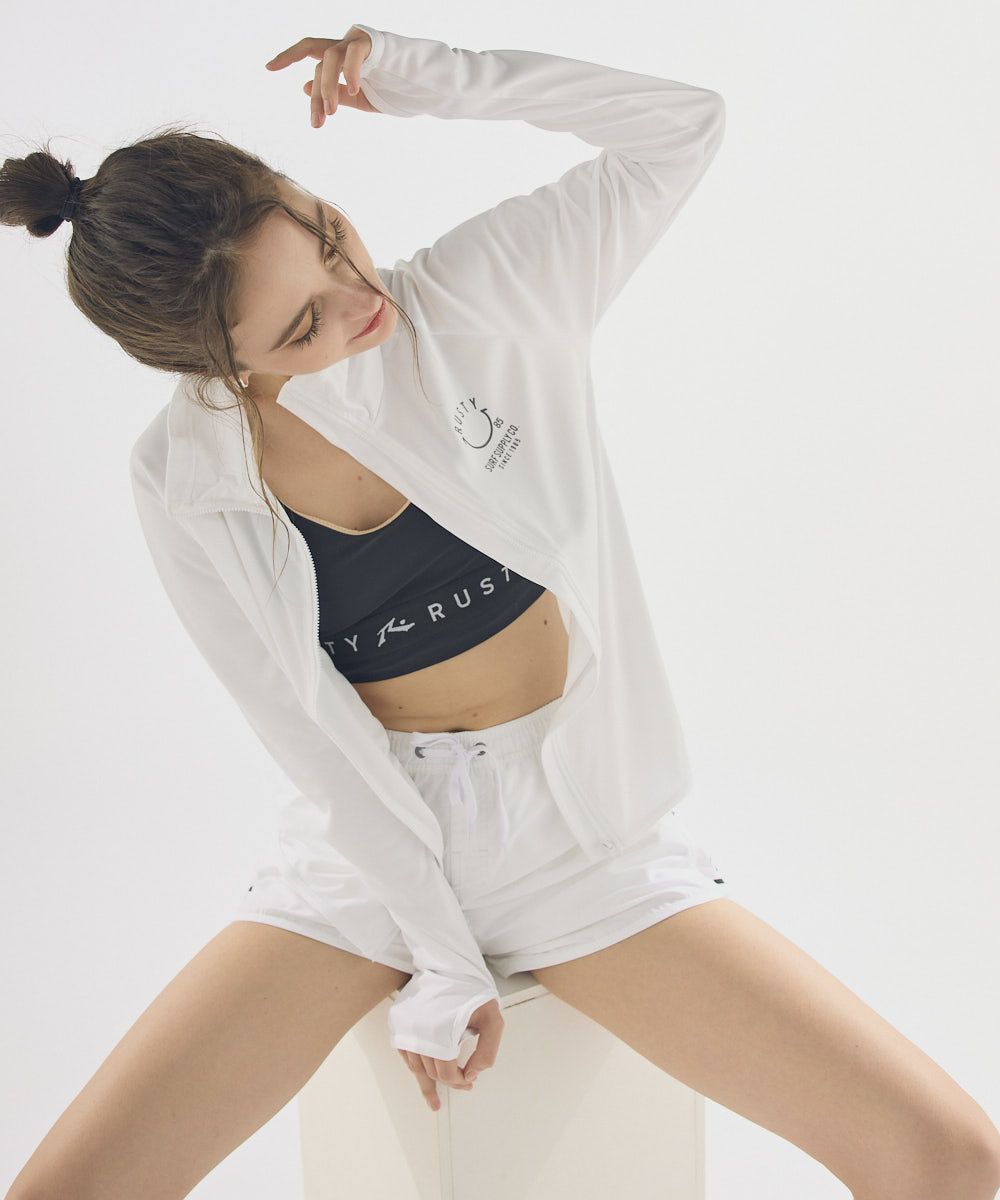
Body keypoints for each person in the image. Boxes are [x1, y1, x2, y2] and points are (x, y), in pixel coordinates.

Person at [3, 22, 999, 1200]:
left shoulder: (486, 296)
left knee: (944, 1157)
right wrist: (439, 957)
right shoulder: (183, 479)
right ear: (208, 363)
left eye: (326, 237)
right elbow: (308, 736)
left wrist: (424, 76)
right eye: (299, 326)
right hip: (367, 860)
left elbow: (681, 127)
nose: (356, 298)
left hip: (574, 844)